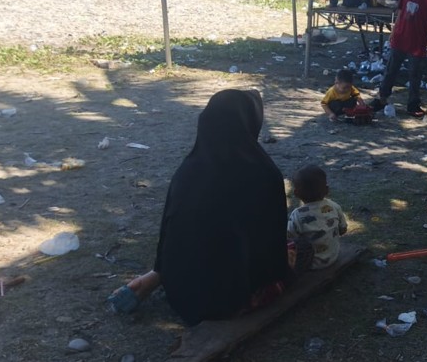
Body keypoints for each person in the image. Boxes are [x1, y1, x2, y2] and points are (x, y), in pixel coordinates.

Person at [107, 89, 290, 325]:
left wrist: (161, 269)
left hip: (182, 294)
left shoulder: (188, 171)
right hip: (231, 300)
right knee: (298, 248)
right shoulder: (263, 174)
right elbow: (270, 251)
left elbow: (170, 232)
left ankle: (157, 277)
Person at [370, 0, 427, 118]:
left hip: (419, 40)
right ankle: (382, 98)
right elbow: (401, 11)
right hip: (401, 36)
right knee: (391, 70)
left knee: (415, 74)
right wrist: (394, 30)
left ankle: (413, 104)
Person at [287, 166, 348, 270]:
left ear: (296, 193)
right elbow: (343, 229)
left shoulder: (297, 215)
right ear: (327, 190)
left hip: (311, 264)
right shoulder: (334, 206)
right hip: (333, 256)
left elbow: (290, 238)